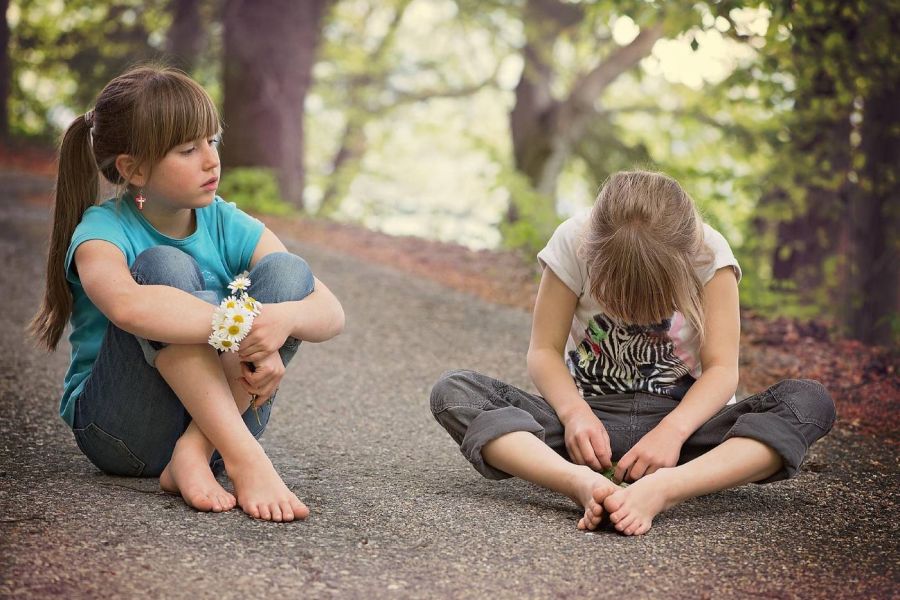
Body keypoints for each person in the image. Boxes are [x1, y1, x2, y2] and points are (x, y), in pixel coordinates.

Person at [430, 170, 835, 536]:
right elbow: (544, 351)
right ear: (595, 253)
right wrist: (574, 415)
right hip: (587, 430)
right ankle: (578, 482)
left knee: (809, 403)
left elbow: (721, 370)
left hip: (689, 432)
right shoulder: (573, 241)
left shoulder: (709, 254)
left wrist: (673, 433)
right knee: (455, 392)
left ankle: (665, 489)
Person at [29, 65, 345, 522]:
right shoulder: (102, 231)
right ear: (133, 169)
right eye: (187, 149)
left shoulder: (223, 220)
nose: (211, 160)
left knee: (287, 272)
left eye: (212, 142)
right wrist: (243, 330)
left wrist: (283, 322)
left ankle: (194, 454)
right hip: (124, 432)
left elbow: (331, 311)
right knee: (163, 267)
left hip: (217, 429)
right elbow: (129, 307)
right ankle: (246, 459)